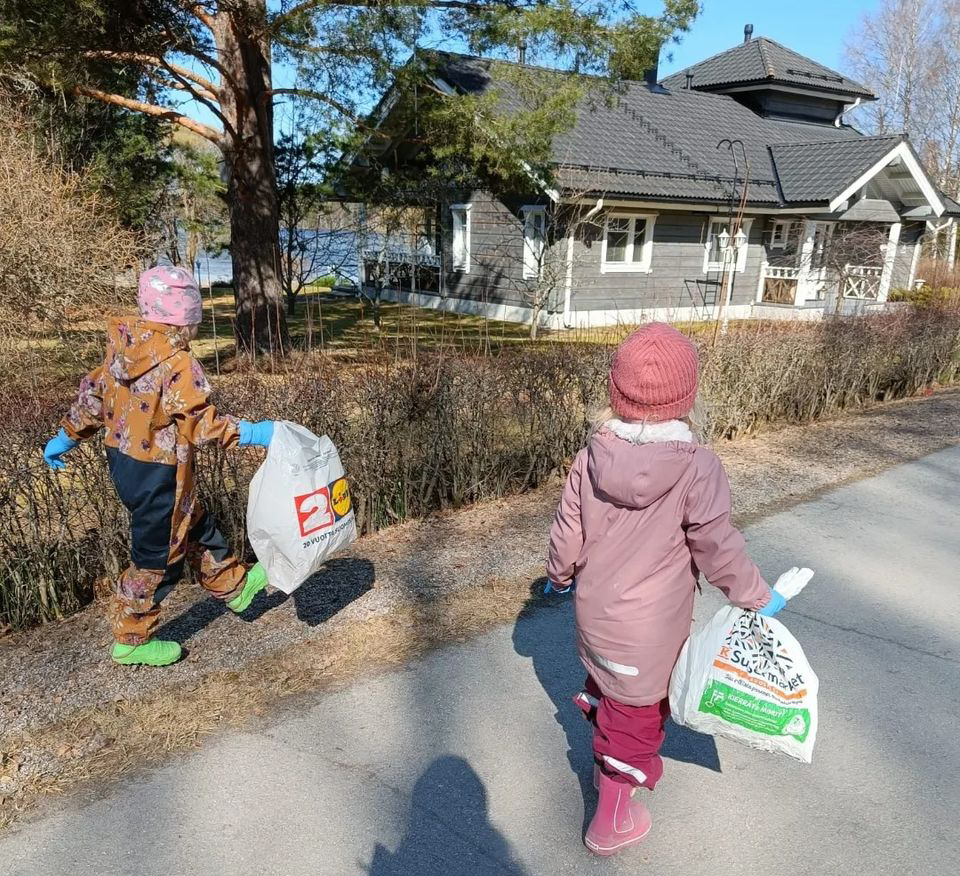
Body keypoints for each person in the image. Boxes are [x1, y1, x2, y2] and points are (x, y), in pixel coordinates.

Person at [546, 323, 812, 857]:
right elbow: (717, 545)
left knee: (610, 691)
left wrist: (558, 576)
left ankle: (606, 773)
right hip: (651, 632)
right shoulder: (697, 468)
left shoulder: (589, 457)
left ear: (616, 393)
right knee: (638, 717)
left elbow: (566, 531)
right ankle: (611, 820)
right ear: (685, 398)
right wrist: (757, 596)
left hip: (596, 618)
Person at [42, 266, 277, 667]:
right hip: (160, 472)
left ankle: (235, 587)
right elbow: (199, 422)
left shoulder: (121, 350)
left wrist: (65, 436)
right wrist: (253, 433)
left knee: (194, 523)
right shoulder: (178, 363)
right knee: (155, 558)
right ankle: (131, 640)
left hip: (127, 464)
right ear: (186, 319)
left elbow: (94, 399)